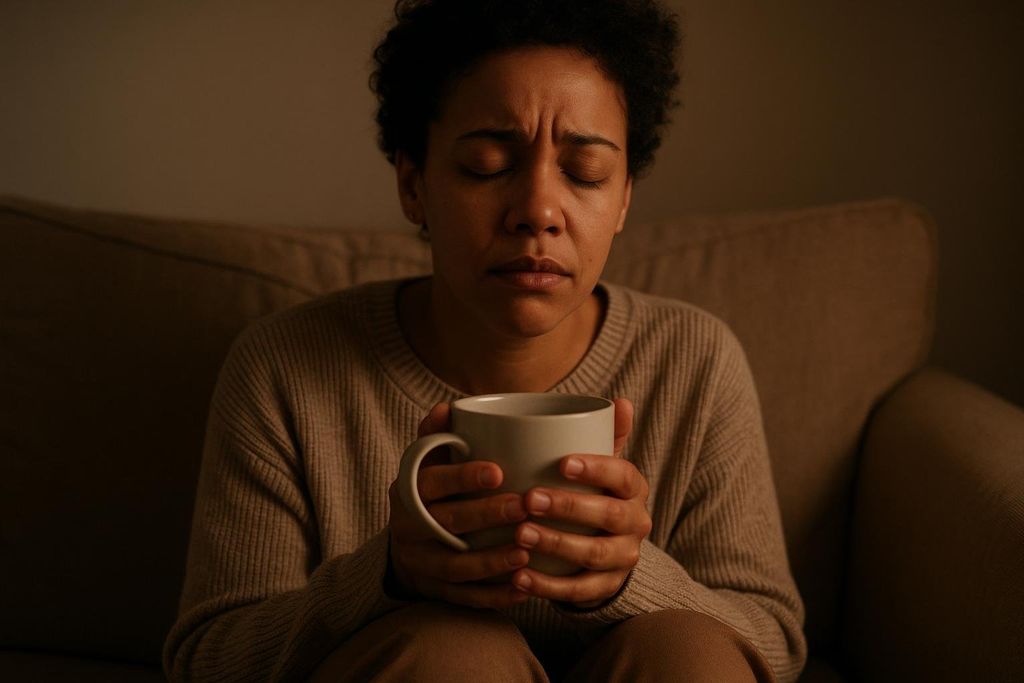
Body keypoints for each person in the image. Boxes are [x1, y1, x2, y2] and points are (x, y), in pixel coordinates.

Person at [162, 0, 807, 681]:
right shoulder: (283, 367)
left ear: (622, 200)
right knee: (452, 655)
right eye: (486, 164)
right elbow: (209, 658)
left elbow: (771, 640)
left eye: (585, 173)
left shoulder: (695, 361)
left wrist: (629, 575)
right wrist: (386, 576)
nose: (538, 210)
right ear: (414, 185)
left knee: (688, 655)